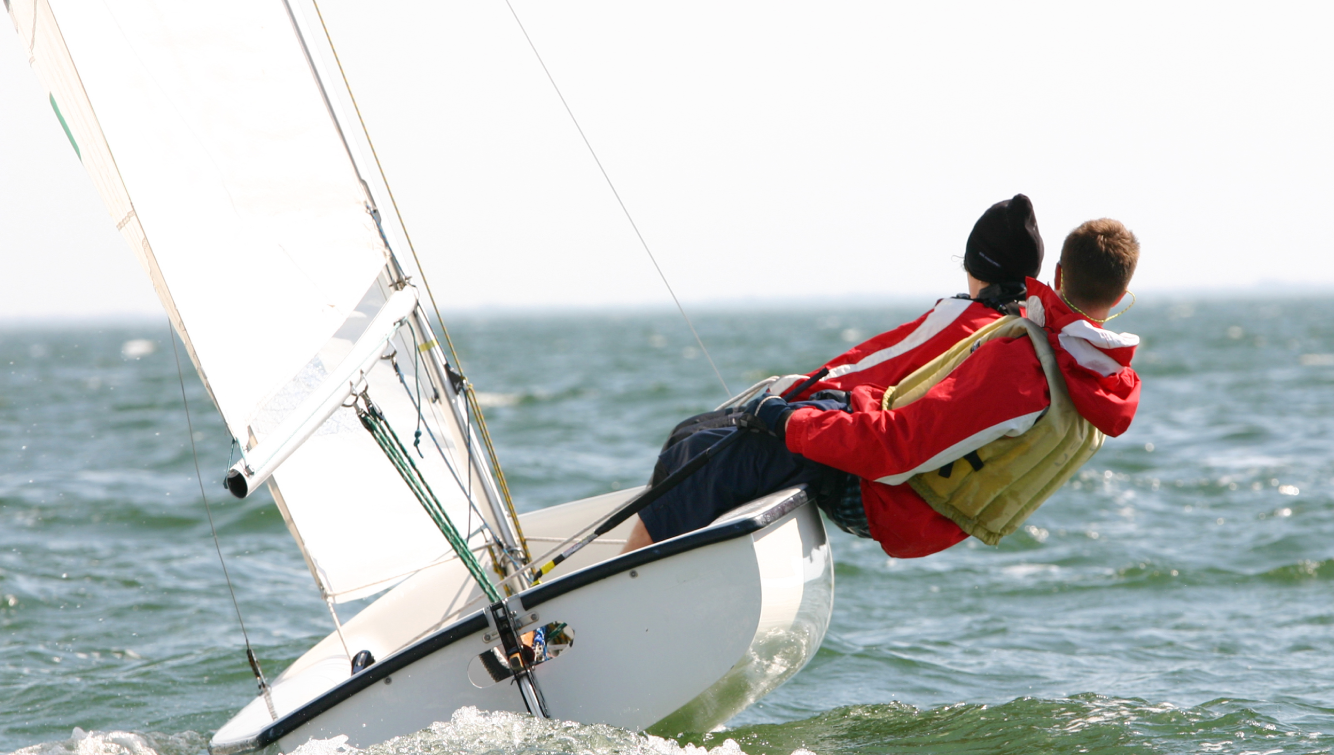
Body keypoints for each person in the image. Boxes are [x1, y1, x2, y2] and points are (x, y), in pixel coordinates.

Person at [623, 217, 1141, 557]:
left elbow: (898, 446)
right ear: (1120, 297)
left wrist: (792, 420)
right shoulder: (1099, 376)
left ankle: (623, 588)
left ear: (1056, 272)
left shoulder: (1026, 364)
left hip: (888, 500)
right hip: (923, 508)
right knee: (706, 438)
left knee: (711, 453)